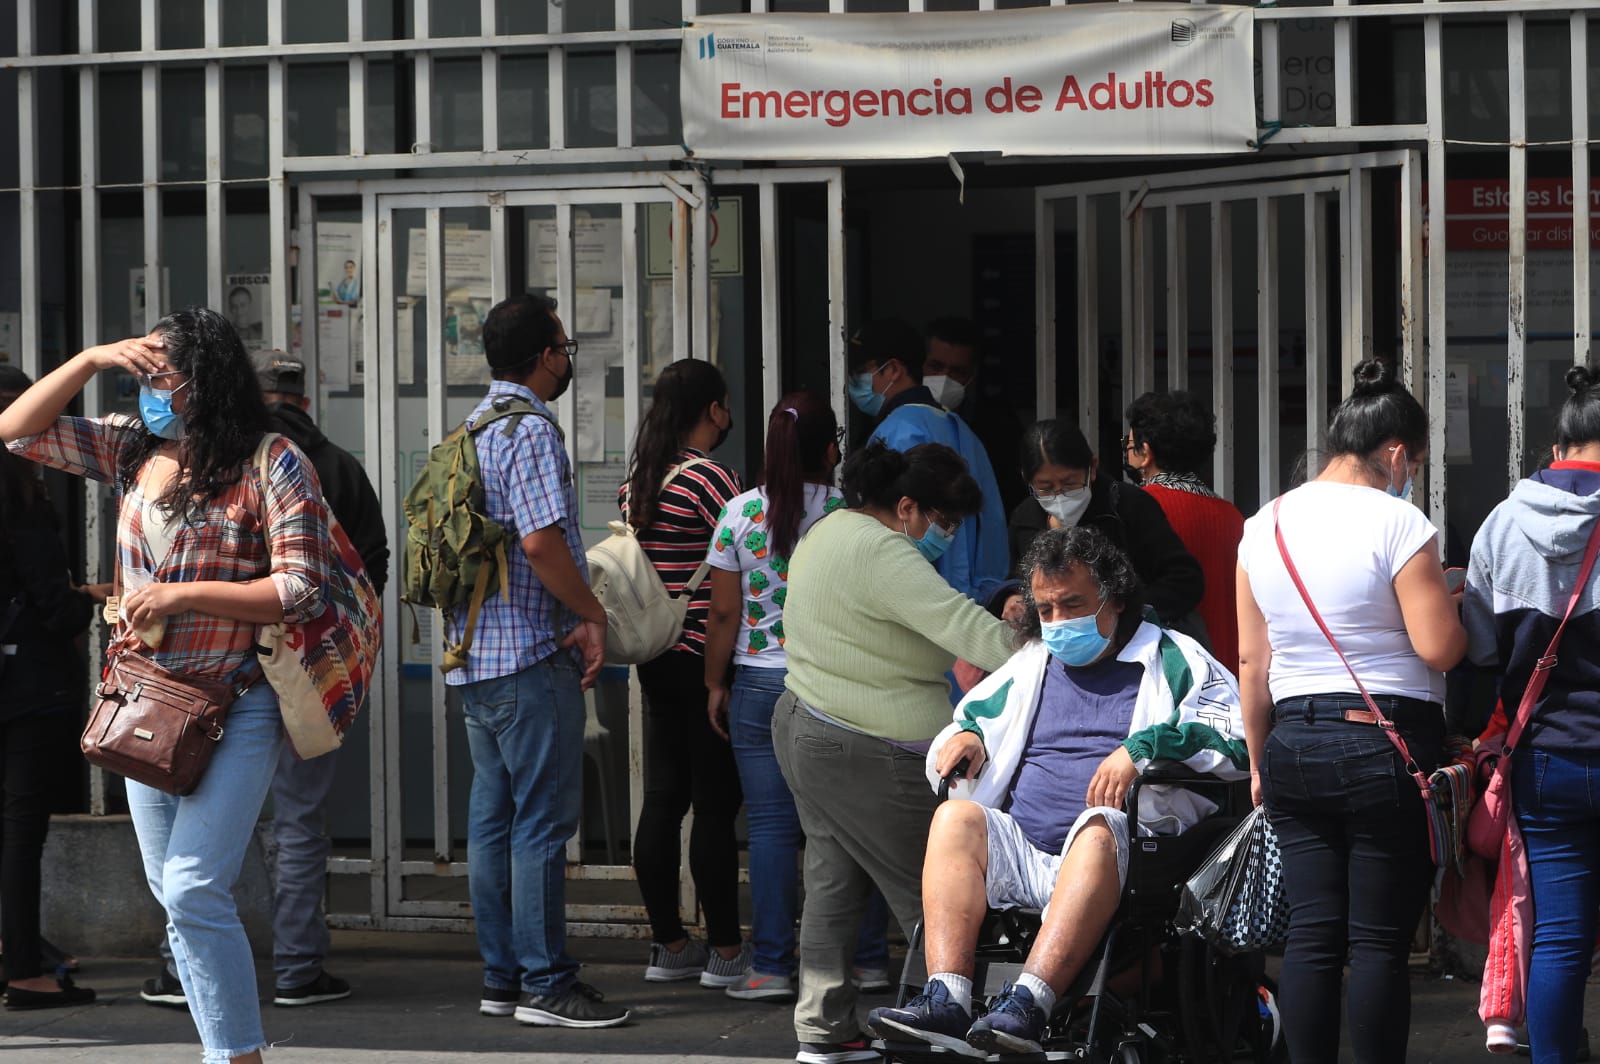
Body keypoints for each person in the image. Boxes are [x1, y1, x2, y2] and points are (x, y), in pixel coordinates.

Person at [0, 308, 335, 1063]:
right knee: (179, 903)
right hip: (145, 702)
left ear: (205, 381)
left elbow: (303, 588)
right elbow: (15, 431)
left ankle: (233, 1055)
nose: (149, 392)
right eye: (140, 377)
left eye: (162, 378)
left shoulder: (270, 461)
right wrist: (88, 360)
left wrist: (187, 595)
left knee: (190, 889)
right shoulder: (130, 449)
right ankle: (234, 1052)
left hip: (237, 704)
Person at [867, 526, 1247, 1056]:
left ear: (1113, 598)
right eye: (1045, 611)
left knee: (1097, 826)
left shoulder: (1174, 657)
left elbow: (1238, 742)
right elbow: (972, 717)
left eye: (1072, 605)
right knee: (955, 820)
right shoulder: (1030, 663)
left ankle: (1029, 1003)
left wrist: (1144, 748)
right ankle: (947, 998)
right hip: (1023, 849)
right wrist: (970, 738)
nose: (1058, 622)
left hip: (1120, 852)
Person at [141, 352, 390, 1010]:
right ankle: (298, 967)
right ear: (304, 396)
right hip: (305, 677)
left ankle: (177, 965)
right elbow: (372, 572)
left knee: (191, 820)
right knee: (300, 820)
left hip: (214, 676)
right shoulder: (337, 465)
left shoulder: (221, 464)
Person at [1236, 358, 1466, 1064]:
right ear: (1395, 452)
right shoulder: (1400, 522)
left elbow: (1253, 663)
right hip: (1382, 748)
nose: (1413, 476)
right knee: (1376, 944)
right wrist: (1450, 602)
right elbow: (1440, 649)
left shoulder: (1261, 525)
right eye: (1415, 462)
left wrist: (1257, 763)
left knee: (1310, 936)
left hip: (1293, 747)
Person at [776, 440, 1015, 1064]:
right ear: (906, 507)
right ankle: (950, 1027)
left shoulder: (825, 531)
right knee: (934, 887)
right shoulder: (883, 550)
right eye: (945, 521)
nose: (948, 535)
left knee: (833, 882)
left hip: (806, 724)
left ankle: (823, 1031)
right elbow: (963, 628)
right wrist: (1056, 654)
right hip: (868, 748)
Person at [447, 294, 626, 1028]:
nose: (567, 356)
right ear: (546, 356)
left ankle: (502, 978)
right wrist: (590, 612)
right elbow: (540, 544)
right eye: (563, 343)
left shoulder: (472, 427)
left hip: (474, 661)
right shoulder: (530, 430)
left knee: (493, 824)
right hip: (526, 656)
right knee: (541, 827)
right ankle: (548, 983)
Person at [702, 391, 891, 1003]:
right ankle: (865, 962)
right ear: (830, 449)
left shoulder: (738, 515)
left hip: (758, 682)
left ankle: (773, 967)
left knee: (772, 829)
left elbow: (724, 611)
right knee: (851, 825)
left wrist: (713, 681)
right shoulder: (852, 515)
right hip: (838, 684)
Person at [1464, 365, 1600, 1064]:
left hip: (1544, 758)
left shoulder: (1500, 524)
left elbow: (1481, 650)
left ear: (1557, 450)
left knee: (1562, 934)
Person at [619, 358, 749, 988]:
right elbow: (748, 557)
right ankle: (726, 951)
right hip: (705, 657)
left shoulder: (639, 478)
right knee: (716, 806)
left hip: (654, 655)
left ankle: (669, 944)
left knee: (664, 799)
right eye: (724, 405)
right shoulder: (713, 482)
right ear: (712, 410)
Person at [0, 366, 106, 1010]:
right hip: (29, 687)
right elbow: (53, 608)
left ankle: (17, 951)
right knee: (20, 830)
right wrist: (84, 602)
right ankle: (26, 973)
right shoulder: (19, 502)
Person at [849, 319, 1009, 606]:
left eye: (862, 372)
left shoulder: (896, 434)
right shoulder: (963, 430)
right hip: (976, 606)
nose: (854, 381)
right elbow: (993, 532)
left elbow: (891, 534)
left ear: (894, 369)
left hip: (919, 604)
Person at [1009, 419, 1205, 635]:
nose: (1059, 495)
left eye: (1069, 484)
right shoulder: (1024, 519)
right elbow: (1015, 580)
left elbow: (1184, 579)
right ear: (1027, 480)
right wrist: (1010, 598)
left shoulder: (1129, 507)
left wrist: (1124, 613)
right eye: (1045, 488)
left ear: (1092, 468)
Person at [1123, 391, 1246, 673]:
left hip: (1173, 675)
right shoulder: (1234, 516)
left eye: (1129, 445)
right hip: (1230, 675)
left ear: (1145, 452)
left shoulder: (1137, 508)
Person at [923, 317, 1027, 517]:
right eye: (936, 366)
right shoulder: (901, 420)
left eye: (957, 371)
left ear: (973, 375)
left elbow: (1010, 493)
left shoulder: (998, 425)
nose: (945, 377)